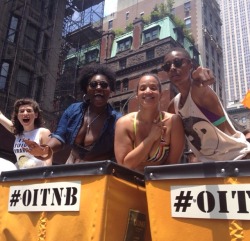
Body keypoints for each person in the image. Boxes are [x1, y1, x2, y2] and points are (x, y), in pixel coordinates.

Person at [163, 47, 250, 161]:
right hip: (212, 167)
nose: (172, 68)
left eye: (178, 62)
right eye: (167, 66)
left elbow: (200, 84)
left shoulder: (199, 90)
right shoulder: (173, 106)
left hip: (240, 159)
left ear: (190, 65)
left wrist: (200, 77)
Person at [24, 64, 122, 163]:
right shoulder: (73, 110)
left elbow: (119, 153)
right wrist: (45, 149)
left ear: (111, 90)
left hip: (100, 168)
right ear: (86, 88)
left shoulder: (117, 121)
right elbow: (60, 136)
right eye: (93, 84)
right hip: (72, 163)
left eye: (104, 85)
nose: (99, 88)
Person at [114, 73, 185, 173]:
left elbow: (172, 164)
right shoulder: (123, 123)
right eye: (142, 88)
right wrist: (151, 138)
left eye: (153, 88)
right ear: (137, 95)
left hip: (161, 182)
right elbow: (125, 165)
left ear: (161, 94)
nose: (148, 91)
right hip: (130, 182)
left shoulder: (174, 121)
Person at [0, 98, 52, 169]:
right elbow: (1, 117)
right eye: (21, 111)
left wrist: (46, 177)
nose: (25, 113)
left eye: (29, 111)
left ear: (36, 115)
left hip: (36, 176)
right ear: (18, 116)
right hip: (20, 176)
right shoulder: (18, 133)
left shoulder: (43, 132)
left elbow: (48, 159)